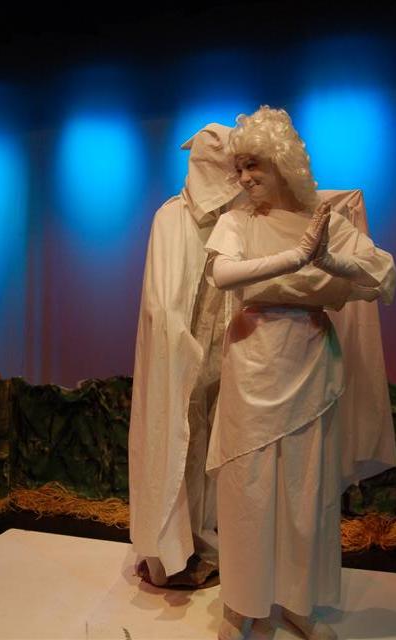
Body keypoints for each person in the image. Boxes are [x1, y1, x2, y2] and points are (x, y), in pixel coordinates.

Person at [203, 106, 396, 640]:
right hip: (254, 360)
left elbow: (382, 274)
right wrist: (297, 259)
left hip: (309, 361)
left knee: (303, 488)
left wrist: (330, 261)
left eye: (254, 166)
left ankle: (298, 599)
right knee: (248, 487)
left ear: (282, 164)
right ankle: (242, 603)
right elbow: (223, 274)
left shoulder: (325, 221)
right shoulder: (237, 221)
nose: (244, 178)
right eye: (239, 168)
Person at [128, 123, 243, 586]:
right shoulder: (170, 218)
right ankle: (168, 550)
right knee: (174, 445)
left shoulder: (235, 221)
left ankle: (200, 541)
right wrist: (183, 350)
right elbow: (161, 302)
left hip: (219, 355)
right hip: (180, 359)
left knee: (208, 451)